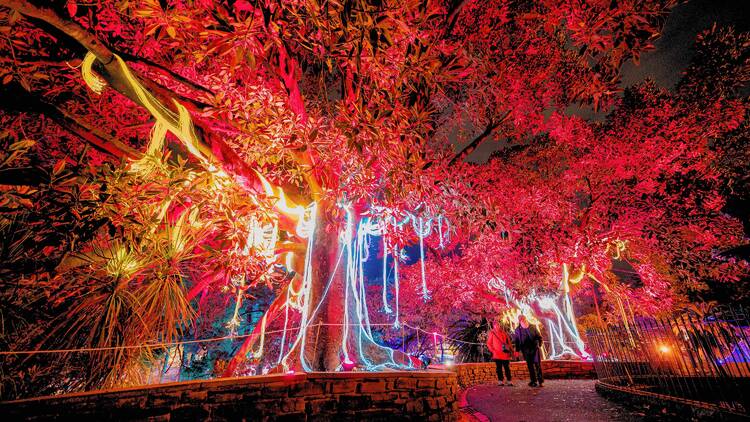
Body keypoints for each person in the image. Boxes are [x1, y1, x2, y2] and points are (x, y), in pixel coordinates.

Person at [513, 315, 544, 387]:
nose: (523, 320)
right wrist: (517, 351)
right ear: (519, 321)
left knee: (537, 365)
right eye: (521, 320)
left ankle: (540, 381)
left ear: (526, 319)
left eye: (523, 319)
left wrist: (539, 344)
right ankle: (533, 381)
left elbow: (539, 337)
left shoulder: (532, 327)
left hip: (534, 349)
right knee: (530, 366)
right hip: (526, 350)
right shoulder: (518, 330)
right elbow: (517, 341)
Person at [486, 320, 514, 386]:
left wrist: (512, 350)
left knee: (507, 368)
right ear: (494, 326)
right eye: (496, 325)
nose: (497, 326)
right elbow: (489, 343)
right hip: (497, 354)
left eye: (498, 324)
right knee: (499, 368)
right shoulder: (492, 333)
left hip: (505, 353)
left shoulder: (503, 332)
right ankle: (500, 381)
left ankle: (509, 380)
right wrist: (493, 351)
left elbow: (508, 342)